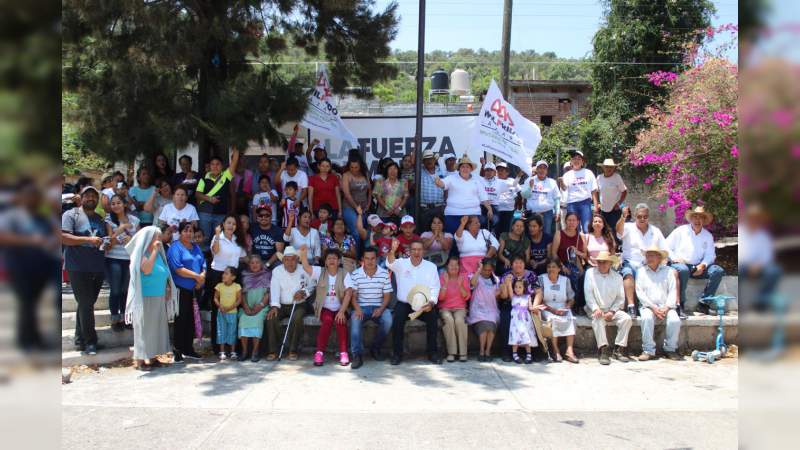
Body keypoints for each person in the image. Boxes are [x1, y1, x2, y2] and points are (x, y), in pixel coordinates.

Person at [0, 179, 61, 351]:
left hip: (40, 267)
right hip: (19, 266)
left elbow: (56, 236)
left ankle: (34, 338)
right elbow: (3, 236)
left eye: (35, 196)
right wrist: (30, 240)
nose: (32, 199)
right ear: (21, 197)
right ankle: (26, 341)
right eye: (28, 195)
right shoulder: (11, 216)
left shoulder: (43, 218)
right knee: (26, 303)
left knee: (34, 304)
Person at [61, 186, 108, 355]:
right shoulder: (70, 215)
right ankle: (90, 342)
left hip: (97, 267)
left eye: (94, 196)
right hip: (77, 267)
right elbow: (64, 237)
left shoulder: (99, 218)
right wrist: (88, 239)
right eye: (87, 195)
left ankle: (79, 339)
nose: (91, 198)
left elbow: (101, 240)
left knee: (85, 303)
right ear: (81, 198)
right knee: (87, 303)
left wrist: (105, 243)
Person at [125, 226, 177, 370]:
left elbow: (164, 272)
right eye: (157, 237)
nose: (159, 240)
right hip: (145, 296)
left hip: (158, 295)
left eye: (160, 237)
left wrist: (167, 288)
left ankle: (153, 357)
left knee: (156, 328)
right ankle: (140, 360)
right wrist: (154, 250)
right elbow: (147, 269)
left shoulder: (159, 254)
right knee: (144, 328)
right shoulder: (141, 253)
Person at [387, 239, 442, 365]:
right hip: (405, 304)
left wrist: (432, 302)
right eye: (414, 249)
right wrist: (393, 251)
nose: (416, 252)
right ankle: (397, 354)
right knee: (397, 321)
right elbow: (390, 263)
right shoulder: (401, 263)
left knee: (433, 319)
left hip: (424, 304)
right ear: (409, 251)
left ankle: (432, 353)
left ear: (423, 251)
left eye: (419, 249)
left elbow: (435, 287)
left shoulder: (431, 267)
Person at [666, 206, 726, 318]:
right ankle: (680, 304)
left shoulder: (707, 235)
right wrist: (674, 258)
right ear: (691, 219)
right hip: (681, 265)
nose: (697, 220)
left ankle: (704, 303)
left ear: (704, 220)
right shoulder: (680, 231)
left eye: (700, 218)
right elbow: (665, 246)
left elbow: (710, 255)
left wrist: (703, 265)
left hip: (698, 267)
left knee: (718, 271)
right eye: (695, 217)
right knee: (683, 270)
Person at [300, 247, 351, 367]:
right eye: (329, 258)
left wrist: (342, 311)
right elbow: (307, 267)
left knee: (340, 322)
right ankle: (319, 352)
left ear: (339, 261)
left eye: (334, 258)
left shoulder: (345, 273)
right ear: (325, 261)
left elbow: (349, 293)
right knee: (327, 321)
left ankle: (344, 352)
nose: (332, 260)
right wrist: (303, 255)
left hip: (340, 308)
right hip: (324, 308)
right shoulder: (320, 271)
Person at [345, 247, 393, 369]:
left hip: (378, 306)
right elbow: (353, 297)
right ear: (362, 260)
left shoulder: (384, 274)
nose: (370, 261)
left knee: (388, 320)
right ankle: (357, 355)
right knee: (355, 321)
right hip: (361, 306)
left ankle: (375, 348)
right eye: (367, 258)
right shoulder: (356, 274)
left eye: (372, 258)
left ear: (377, 259)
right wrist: (357, 308)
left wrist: (381, 309)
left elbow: (387, 296)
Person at [616, 203, 667, 318]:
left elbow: (664, 248)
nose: (642, 219)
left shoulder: (655, 231)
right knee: (628, 273)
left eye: (645, 216)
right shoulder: (628, 226)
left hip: (650, 264)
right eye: (639, 216)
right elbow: (619, 232)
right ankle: (631, 306)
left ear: (648, 217)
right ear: (635, 216)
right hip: (631, 261)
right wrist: (623, 217)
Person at [166, 221, 206, 362]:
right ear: (180, 232)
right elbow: (178, 269)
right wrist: (197, 276)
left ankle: (188, 348)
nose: (189, 233)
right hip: (180, 289)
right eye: (186, 231)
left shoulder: (196, 247)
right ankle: (177, 349)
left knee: (191, 320)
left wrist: (202, 277)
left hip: (195, 290)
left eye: (191, 231)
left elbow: (203, 263)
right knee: (181, 319)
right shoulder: (175, 247)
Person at [583, 251, 632, 365]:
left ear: (610, 263)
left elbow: (620, 298)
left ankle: (619, 348)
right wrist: (596, 308)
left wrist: (612, 311)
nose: (601, 264)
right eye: (599, 262)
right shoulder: (590, 273)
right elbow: (588, 294)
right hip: (594, 308)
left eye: (604, 262)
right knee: (598, 318)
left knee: (626, 319)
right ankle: (603, 349)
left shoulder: (618, 277)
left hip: (612, 309)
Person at [207, 215, 247, 352]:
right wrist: (217, 235)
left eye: (234, 224)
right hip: (218, 275)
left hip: (234, 276)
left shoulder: (237, 239)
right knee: (218, 311)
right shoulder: (217, 237)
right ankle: (218, 347)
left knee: (234, 310)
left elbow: (243, 256)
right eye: (228, 223)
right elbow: (215, 251)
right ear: (223, 224)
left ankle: (234, 347)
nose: (231, 226)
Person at [266, 246, 313, 361]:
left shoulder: (304, 269)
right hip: (281, 304)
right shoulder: (277, 271)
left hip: (299, 304)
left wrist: (304, 292)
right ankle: (273, 350)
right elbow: (274, 288)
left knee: (297, 319)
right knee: (271, 318)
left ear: (297, 259)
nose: (290, 262)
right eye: (287, 259)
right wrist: (275, 306)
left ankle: (293, 349)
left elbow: (313, 284)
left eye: (293, 259)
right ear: (283, 261)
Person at [636, 244, 682, 361]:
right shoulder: (641, 271)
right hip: (648, 306)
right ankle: (648, 350)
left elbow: (673, 291)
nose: (649, 258)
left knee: (675, 320)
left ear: (659, 258)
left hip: (666, 306)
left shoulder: (669, 271)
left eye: (652, 255)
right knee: (646, 318)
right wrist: (653, 308)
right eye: (647, 255)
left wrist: (666, 307)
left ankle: (670, 349)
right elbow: (640, 292)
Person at [104, 195, 141, 331]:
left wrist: (130, 238)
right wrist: (122, 228)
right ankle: (115, 319)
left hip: (129, 259)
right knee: (115, 290)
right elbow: (109, 241)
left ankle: (126, 318)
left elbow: (139, 241)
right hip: (113, 258)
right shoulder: (109, 220)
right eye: (113, 204)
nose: (116, 206)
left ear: (124, 204)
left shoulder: (135, 220)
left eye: (118, 203)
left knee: (126, 290)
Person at [434, 154, 492, 234]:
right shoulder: (451, 178)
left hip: (473, 215)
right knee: (453, 240)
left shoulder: (477, 181)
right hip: (453, 214)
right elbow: (442, 184)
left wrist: (489, 209)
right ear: (459, 168)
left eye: (467, 167)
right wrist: (438, 182)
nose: (465, 169)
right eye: (463, 167)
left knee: (472, 239)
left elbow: (483, 197)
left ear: (471, 169)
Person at [738, 203, 781, 310]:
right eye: (752, 217)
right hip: (742, 265)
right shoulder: (741, 232)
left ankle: (761, 303)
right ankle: (739, 304)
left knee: (774, 271)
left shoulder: (763, 235)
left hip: (759, 266)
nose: (754, 220)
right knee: (739, 269)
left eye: (757, 218)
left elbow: (767, 255)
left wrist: (758, 265)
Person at [195, 147, 241, 248]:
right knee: (204, 239)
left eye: (218, 164)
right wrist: (209, 199)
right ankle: (204, 262)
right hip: (205, 213)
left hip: (220, 214)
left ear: (222, 166)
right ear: (209, 166)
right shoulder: (203, 179)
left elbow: (234, 162)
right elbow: (197, 194)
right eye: (212, 164)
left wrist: (237, 147)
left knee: (219, 240)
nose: (215, 166)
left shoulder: (226, 176)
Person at [498, 256, 541, 362]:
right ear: (512, 265)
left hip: (527, 304)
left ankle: (534, 352)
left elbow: (539, 292)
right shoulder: (506, 275)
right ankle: (507, 351)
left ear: (524, 264)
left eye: (521, 262)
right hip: (510, 304)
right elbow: (503, 296)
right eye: (515, 263)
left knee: (535, 317)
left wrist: (534, 306)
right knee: (505, 318)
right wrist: (506, 284)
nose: (518, 265)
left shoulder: (531, 275)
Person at [535, 258, 578, 363]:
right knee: (552, 320)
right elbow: (539, 300)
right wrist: (552, 310)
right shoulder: (541, 279)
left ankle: (569, 351)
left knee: (570, 318)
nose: (551, 269)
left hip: (563, 307)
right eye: (549, 267)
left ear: (559, 269)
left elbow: (571, 298)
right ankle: (555, 350)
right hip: (547, 307)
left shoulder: (565, 280)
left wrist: (566, 308)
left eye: (554, 267)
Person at [438, 256, 471, 362]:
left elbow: (467, 297)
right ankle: (451, 352)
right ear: (447, 266)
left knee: (459, 320)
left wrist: (460, 285)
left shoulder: (464, 277)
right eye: (451, 265)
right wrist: (446, 284)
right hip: (445, 308)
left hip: (460, 308)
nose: (454, 267)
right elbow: (440, 298)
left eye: (456, 265)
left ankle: (462, 353)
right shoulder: (442, 277)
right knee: (449, 320)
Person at [239, 255, 271, 362]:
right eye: (252, 263)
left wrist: (260, 305)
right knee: (243, 320)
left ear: (261, 264)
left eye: (257, 262)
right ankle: (244, 352)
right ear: (249, 265)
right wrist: (246, 307)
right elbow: (242, 294)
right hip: (247, 308)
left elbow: (268, 294)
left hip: (261, 308)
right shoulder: (245, 275)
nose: (255, 265)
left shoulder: (266, 275)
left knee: (257, 322)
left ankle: (255, 352)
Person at [468, 259, 501, 362]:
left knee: (491, 325)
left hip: (491, 309)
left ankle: (488, 351)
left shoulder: (496, 280)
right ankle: (482, 351)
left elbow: (497, 297)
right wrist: (479, 269)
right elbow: (472, 283)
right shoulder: (475, 277)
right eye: (485, 270)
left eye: (489, 270)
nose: (487, 272)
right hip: (478, 310)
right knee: (484, 326)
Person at [559, 149, 599, 233]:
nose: (576, 160)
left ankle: (585, 246)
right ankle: (575, 246)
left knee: (586, 227)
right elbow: (564, 188)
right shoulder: (567, 175)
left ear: (582, 162)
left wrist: (595, 206)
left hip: (585, 203)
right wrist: (561, 182)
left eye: (578, 158)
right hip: (572, 204)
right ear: (571, 161)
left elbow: (594, 191)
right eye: (574, 158)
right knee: (573, 228)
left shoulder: (588, 173)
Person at [551, 212, 586, 302]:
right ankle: (570, 303)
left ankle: (579, 304)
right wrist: (562, 266)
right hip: (562, 264)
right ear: (565, 221)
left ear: (578, 222)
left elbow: (585, 255)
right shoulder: (559, 234)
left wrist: (577, 251)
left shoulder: (581, 235)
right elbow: (554, 253)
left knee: (583, 276)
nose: (571, 222)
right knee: (568, 276)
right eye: (569, 220)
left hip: (577, 265)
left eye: (574, 220)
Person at [522, 160, 560, 236]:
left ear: (547, 171)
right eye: (540, 168)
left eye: (544, 168)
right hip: (532, 213)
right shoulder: (529, 180)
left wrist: (557, 211)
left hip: (547, 213)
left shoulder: (552, 182)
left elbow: (557, 198)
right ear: (536, 169)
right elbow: (524, 196)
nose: (542, 170)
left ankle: (546, 248)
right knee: (531, 234)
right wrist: (530, 187)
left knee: (547, 234)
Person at [504, 277, 537, 364]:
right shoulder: (513, 297)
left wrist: (535, 308)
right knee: (515, 336)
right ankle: (515, 354)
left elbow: (530, 307)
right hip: (515, 322)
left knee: (527, 336)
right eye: (516, 287)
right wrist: (509, 283)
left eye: (520, 287)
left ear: (524, 288)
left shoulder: (528, 297)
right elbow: (510, 289)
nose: (517, 289)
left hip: (525, 320)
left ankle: (529, 354)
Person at [340, 157, 372, 249]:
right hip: (349, 206)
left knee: (364, 233)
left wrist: (369, 204)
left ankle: (364, 256)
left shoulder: (365, 174)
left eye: (356, 167)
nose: (354, 169)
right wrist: (355, 207)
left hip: (363, 207)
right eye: (352, 167)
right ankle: (356, 258)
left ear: (360, 167)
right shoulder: (346, 175)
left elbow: (369, 191)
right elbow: (346, 194)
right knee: (356, 232)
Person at [596, 158, 627, 244]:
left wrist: (619, 203)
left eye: (611, 167)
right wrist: (598, 203)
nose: (609, 169)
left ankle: (617, 248)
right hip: (603, 209)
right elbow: (596, 192)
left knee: (615, 229)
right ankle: (607, 247)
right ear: (603, 168)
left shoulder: (617, 177)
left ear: (613, 168)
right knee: (603, 229)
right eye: (607, 167)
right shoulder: (599, 178)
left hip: (614, 209)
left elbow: (624, 191)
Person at [214, 266, 242, 361]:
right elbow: (215, 298)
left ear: (233, 277)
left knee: (232, 331)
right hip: (221, 313)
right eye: (223, 273)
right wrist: (220, 306)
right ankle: (222, 351)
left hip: (233, 313)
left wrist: (230, 307)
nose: (223, 275)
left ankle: (232, 351)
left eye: (226, 273)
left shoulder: (237, 286)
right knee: (221, 331)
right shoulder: (219, 286)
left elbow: (239, 299)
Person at [373, 159, 408, 226]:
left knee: (399, 233)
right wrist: (387, 208)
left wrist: (399, 208)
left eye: (395, 169)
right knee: (384, 233)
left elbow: (406, 197)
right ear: (386, 171)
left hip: (399, 214)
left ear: (398, 170)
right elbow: (378, 197)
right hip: (383, 214)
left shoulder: (403, 182)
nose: (393, 171)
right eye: (390, 169)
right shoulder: (380, 181)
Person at [417, 150, 446, 233]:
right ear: (423, 162)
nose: (429, 161)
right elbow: (413, 162)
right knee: (424, 233)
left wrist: (445, 205)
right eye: (426, 159)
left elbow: (446, 188)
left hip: (439, 208)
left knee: (440, 232)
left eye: (431, 159)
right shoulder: (420, 170)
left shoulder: (442, 170)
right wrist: (415, 144)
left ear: (435, 160)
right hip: (424, 209)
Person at [492, 161, 521, 235]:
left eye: (502, 170)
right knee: (496, 230)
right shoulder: (493, 180)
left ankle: (504, 246)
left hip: (509, 210)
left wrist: (518, 205)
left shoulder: (512, 181)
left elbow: (519, 192)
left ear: (507, 172)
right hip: (496, 210)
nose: (499, 172)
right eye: (498, 170)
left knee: (506, 231)